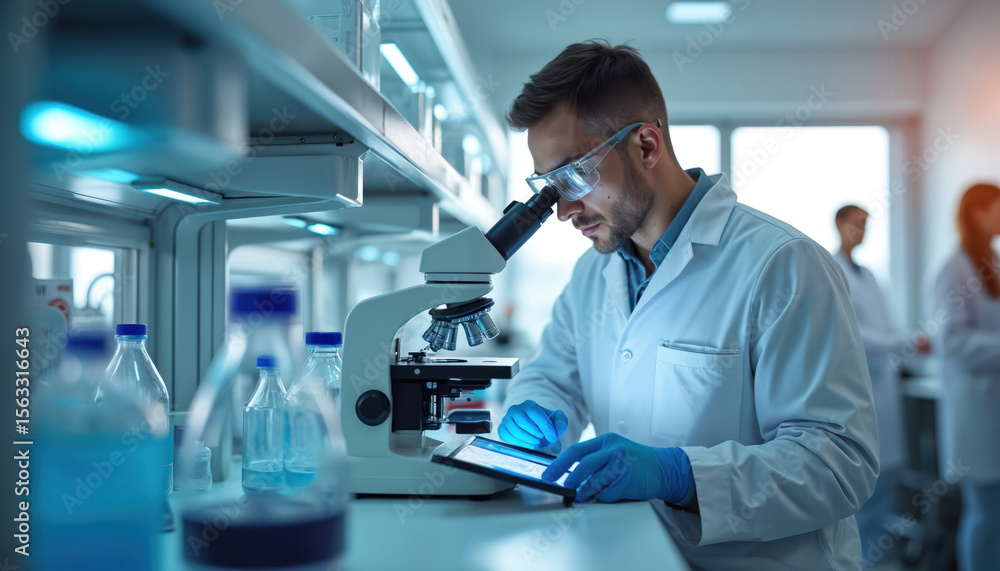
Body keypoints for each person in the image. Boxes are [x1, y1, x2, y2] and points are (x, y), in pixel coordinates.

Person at [496, 41, 879, 570]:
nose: (562, 210)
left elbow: (839, 465)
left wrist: (680, 473)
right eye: (548, 187)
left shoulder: (783, 265)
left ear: (647, 145)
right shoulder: (594, 272)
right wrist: (543, 410)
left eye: (574, 176)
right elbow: (555, 375)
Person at [832, 205, 930, 566]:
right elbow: (853, 333)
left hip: (884, 389)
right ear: (839, 225)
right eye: (856, 223)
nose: (862, 230)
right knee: (859, 493)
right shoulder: (833, 271)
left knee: (885, 483)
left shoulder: (871, 276)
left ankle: (876, 560)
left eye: (866, 225)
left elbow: (887, 330)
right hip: (857, 390)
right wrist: (901, 341)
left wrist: (909, 345)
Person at [929, 183, 1000, 571]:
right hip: (976, 409)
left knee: (995, 515)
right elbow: (952, 341)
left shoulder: (990, 261)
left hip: (992, 405)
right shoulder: (953, 269)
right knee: (987, 513)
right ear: (977, 212)